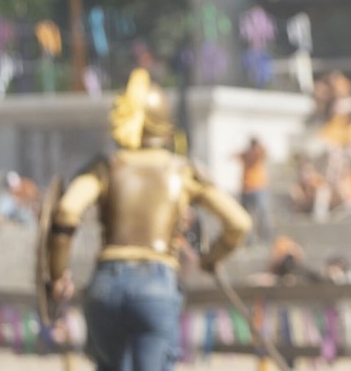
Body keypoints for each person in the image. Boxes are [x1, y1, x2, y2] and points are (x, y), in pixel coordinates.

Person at [44, 68, 252, 371]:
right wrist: (211, 258)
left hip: (106, 286)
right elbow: (239, 223)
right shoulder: (182, 171)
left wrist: (57, 275)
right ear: (164, 126)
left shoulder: (105, 167)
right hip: (156, 284)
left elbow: (66, 211)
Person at [237, 135, 272, 242]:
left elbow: (265, 152)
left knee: (261, 214)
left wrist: (257, 146)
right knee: (246, 216)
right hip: (246, 188)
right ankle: (249, 239)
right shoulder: (246, 154)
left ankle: (265, 237)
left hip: (258, 188)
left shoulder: (259, 153)